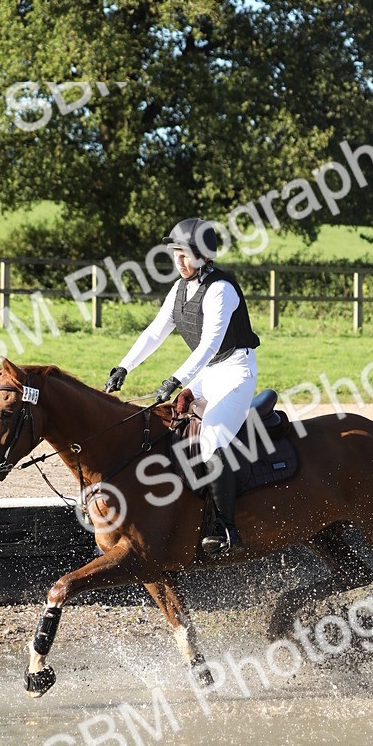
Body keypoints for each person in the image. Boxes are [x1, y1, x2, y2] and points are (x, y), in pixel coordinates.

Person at [103, 218, 260, 556]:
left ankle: (227, 529)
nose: (179, 261)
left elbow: (208, 344)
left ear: (204, 255)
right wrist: (124, 366)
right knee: (168, 428)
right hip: (208, 373)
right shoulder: (180, 288)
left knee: (210, 440)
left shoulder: (221, 289)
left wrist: (176, 379)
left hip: (235, 372)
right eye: (175, 253)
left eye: (185, 254)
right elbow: (155, 332)